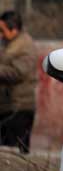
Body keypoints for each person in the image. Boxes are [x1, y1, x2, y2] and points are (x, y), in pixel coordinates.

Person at [0, 10, 38, 153]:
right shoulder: (8, 43)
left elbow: (18, 73)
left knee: (14, 154)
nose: (1, 34)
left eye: (2, 30)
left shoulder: (25, 46)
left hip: (19, 108)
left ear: (14, 29)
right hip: (6, 107)